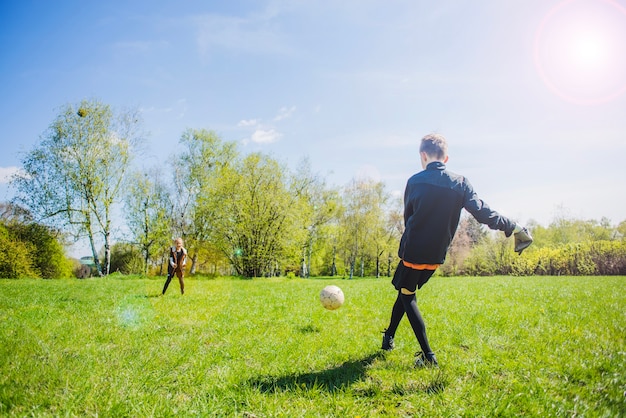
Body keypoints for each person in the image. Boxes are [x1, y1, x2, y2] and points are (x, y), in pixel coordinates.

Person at [381, 133, 533, 367]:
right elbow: (483, 213)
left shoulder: (414, 181)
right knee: (404, 290)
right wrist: (513, 226)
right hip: (436, 254)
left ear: (423, 155)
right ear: (446, 158)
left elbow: (407, 216)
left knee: (407, 295)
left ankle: (428, 356)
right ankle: (388, 337)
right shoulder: (460, 182)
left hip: (413, 249)